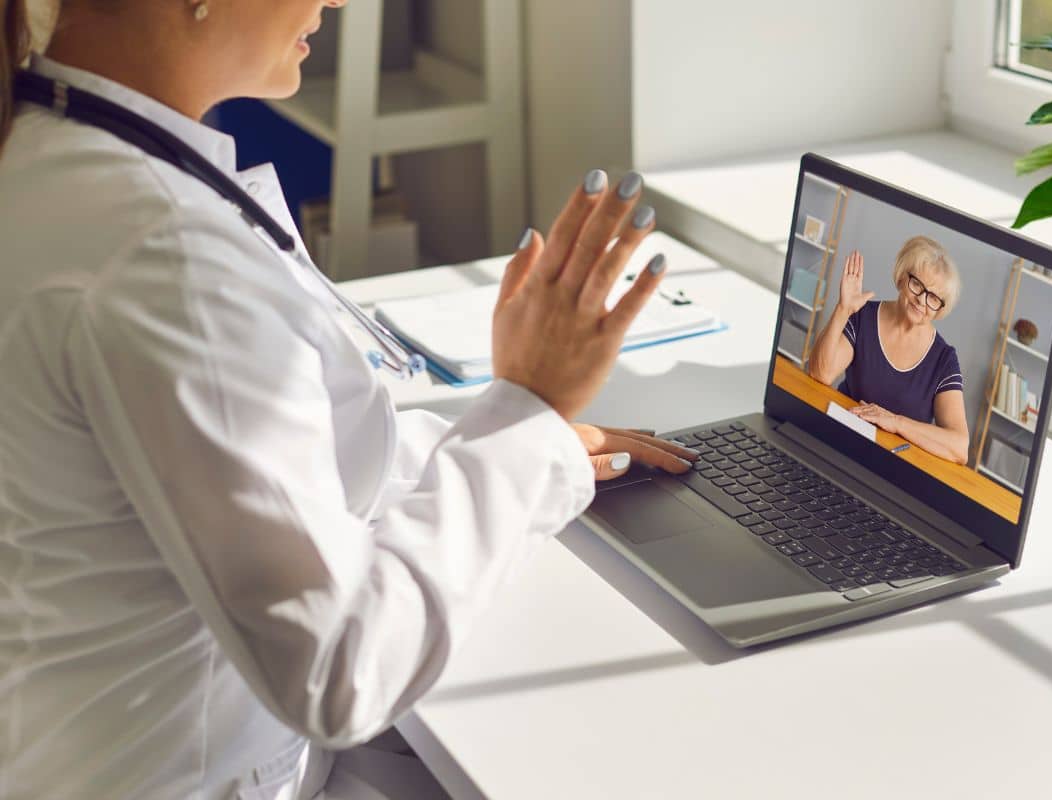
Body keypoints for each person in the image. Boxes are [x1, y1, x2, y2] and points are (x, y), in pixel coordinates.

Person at [0, 1, 699, 798]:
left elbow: (224, 458)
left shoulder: (48, 152)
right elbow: (341, 671)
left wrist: (520, 445)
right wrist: (528, 405)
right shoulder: (165, 256)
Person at [808, 236, 969, 465]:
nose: (922, 300)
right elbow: (820, 373)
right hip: (839, 443)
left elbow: (959, 447)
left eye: (933, 298)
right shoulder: (863, 316)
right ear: (902, 278)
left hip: (892, 466)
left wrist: (896, 422)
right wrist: (843, 309)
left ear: (940, 309)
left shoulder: (944, 360)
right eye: (917, 285)